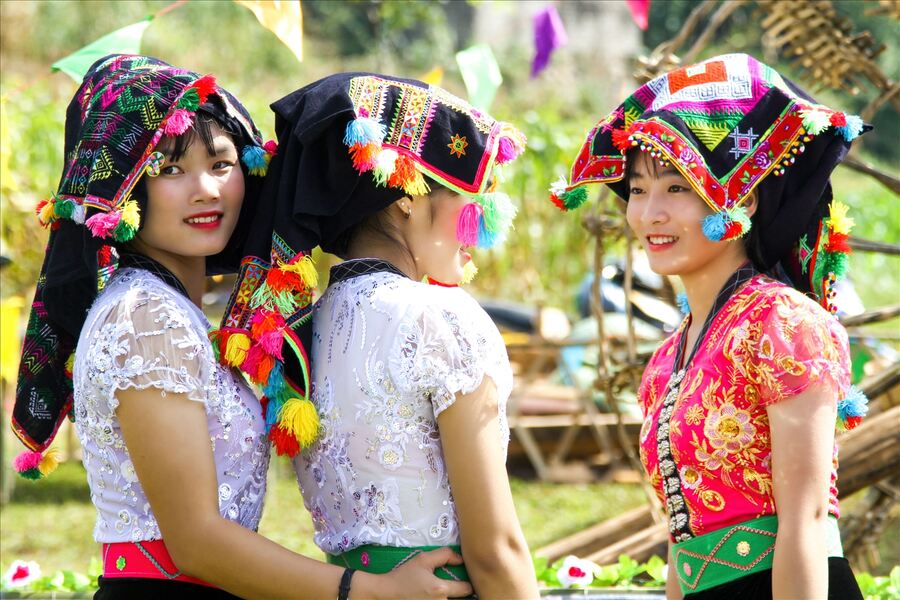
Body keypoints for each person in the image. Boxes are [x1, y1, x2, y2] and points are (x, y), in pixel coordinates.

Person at [12, 55, 473, 600]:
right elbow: (196, 542)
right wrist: (371, 591)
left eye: (222, 164)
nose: (205, 189)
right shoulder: (146, 319)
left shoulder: (165, 308)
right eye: (170, 170)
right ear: (126, 187)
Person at [549, 53, 868, 599]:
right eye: (638, 189)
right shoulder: (668, 357)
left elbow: (808, 520)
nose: (649, 214)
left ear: (738, 196)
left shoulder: (781, 323)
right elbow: (683, 542)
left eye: (676, 189)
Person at [210, 73, 538, 599]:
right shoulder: (440, 317)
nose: (479, 229)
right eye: (468, 198)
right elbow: (494, 551)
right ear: (408, 195)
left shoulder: (304, 332)